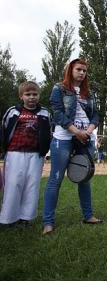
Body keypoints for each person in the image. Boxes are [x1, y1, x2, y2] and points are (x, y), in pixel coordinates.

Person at [42, 59, 101, 235]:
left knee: (84, 178)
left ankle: (88, 215)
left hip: (86, 139)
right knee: (56, 180)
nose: (82, 73)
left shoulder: (88, 93)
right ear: (70, 70)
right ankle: (48, 222)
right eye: (78, 69)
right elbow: (58, 114)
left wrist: (89, 130)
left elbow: (96, 115)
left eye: (84, 70)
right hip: (64, 139)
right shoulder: (59, 89)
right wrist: (76, 131)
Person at [0, 81, 51, 226]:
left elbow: (49, 132)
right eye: (28, 94)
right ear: (21, 96)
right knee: (13, 184)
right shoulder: (13, 111)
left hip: (35, 155)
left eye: (35, 94)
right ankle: (9, 218)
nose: (32, 97)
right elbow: (4, 129)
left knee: (31, 185)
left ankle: (25, 218)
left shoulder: (45, 113)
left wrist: (44, 149)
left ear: (39, 95)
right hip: (15, 153)